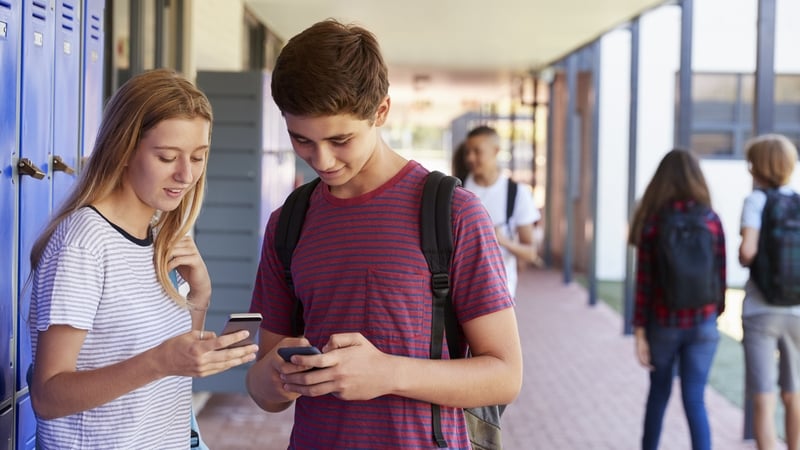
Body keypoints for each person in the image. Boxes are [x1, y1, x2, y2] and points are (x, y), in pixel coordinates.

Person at [245, 19, 523, 449]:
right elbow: (266, 394)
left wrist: (388, 373)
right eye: (301, 140)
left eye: (340, 139)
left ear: (381, 111)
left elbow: (505, 376)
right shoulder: (288, 223)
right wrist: (277, 375)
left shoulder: (453, 213)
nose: (321, 160)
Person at [27, 68, 259, 449]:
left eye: (198, 157)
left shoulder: (157, 236)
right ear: (123, 150)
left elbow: (172, 367)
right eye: (167, 157)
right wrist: (159, 361)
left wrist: (199, 296)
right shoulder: (83, 244)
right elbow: (48, 396)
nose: (186, 174)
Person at [628, 149, 726, 450]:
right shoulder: (711, 219)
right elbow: (720, 275)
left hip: (663, 323)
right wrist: (713, 315)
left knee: (658, 395)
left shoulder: (653, 223)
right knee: (695, 399)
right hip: (703, 322)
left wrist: (640, 332)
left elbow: (643, 284)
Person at [738, 134, 800, 450]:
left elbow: (748, 252)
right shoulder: (798, 202)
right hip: (797, 311)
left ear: (757, 167)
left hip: (761, 310)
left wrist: (744, 254)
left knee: (764, 394)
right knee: (794, 391)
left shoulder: (756, 201)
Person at [462, 125, 541, 298]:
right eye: (468, 152)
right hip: (461, 289)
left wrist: (503, 241)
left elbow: (530, 252)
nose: (470, 158)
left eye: (477, 151)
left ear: (496, 151)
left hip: (500, 292)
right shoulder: (457, 188)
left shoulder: (516, 193)